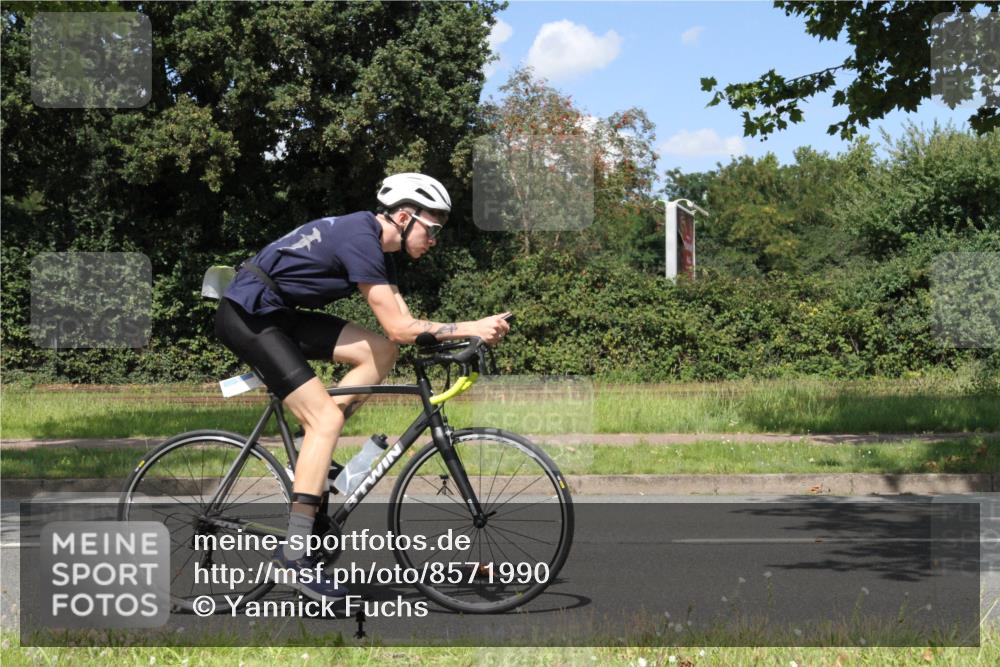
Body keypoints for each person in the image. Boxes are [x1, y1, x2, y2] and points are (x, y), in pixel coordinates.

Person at [214, 173, 510, 601]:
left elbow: (401, 330)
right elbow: (401, 327)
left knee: (381, 352)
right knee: (326, 419)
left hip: (280, 315)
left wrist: (459, 341)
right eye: (432, 229)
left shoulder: (382, 252)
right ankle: (292, 556)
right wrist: (471, 327)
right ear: (404, 218)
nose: (434, 240)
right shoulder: (361, 237)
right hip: (249, 316)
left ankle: (312, 454)